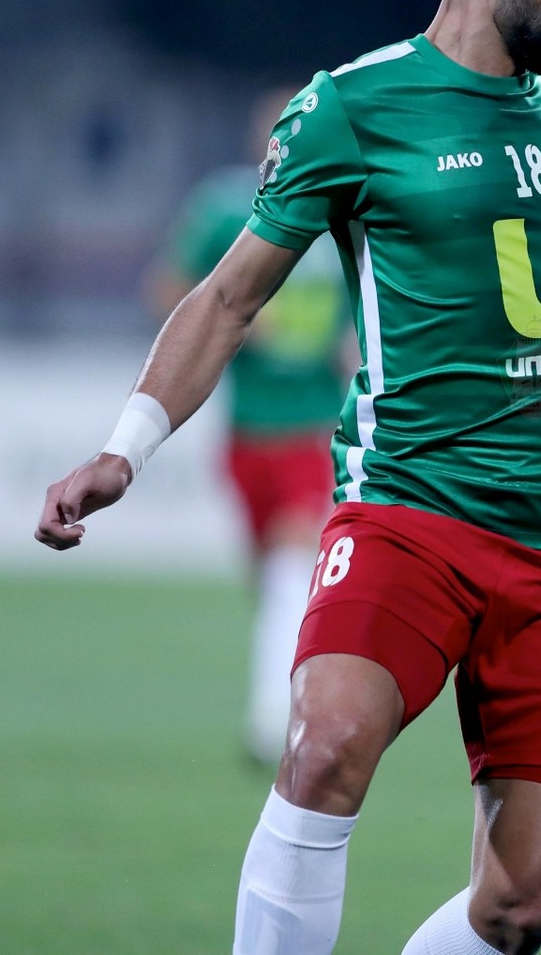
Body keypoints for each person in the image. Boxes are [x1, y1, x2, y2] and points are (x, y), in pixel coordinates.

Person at [36, 0, 541, 955]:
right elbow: (227, 297)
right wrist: (126, 447)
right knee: (323, 746)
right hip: (413, 507)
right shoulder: (354, 107)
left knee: (521, 906)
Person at [147, 89, 350, 765]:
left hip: (314, 425)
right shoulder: (225, 209)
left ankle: (275, 722)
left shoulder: (345, 212)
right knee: (272, 582)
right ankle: (285, 694)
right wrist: (236, 322)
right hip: (245, 429)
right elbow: (167, 288)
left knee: (295, 561)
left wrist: (353, 347)